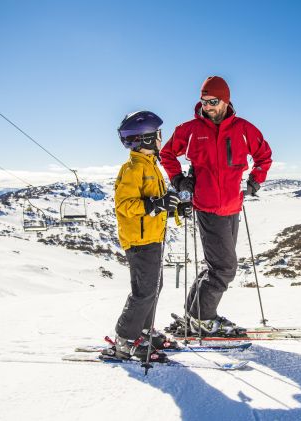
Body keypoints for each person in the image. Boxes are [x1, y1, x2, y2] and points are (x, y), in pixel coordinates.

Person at [160, 76, 273, 336]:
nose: (207, 107)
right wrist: (178, 179)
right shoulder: (189, 130)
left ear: (225, 100)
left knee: (218, 266)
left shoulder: (244, 129)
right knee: (224, 268)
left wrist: (256, 179)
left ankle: (195, 315)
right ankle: (202, 317)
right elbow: (166, 154)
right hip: (208, 207)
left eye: (212, 102)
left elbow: (263, 156)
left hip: (233, 206)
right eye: (203, 102)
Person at [111, 110, 181, 361]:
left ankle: (143, 330)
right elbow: (125, 205)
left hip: (151, 236)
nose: (162, 139)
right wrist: (154, 205)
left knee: (154, 286)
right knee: (143, 290)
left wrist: (172, 207)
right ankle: (125, 339)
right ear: (147, 139)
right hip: (139, 240)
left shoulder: (150, 166)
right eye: (159, 135)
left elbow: (156, 203)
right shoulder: (132, 168)